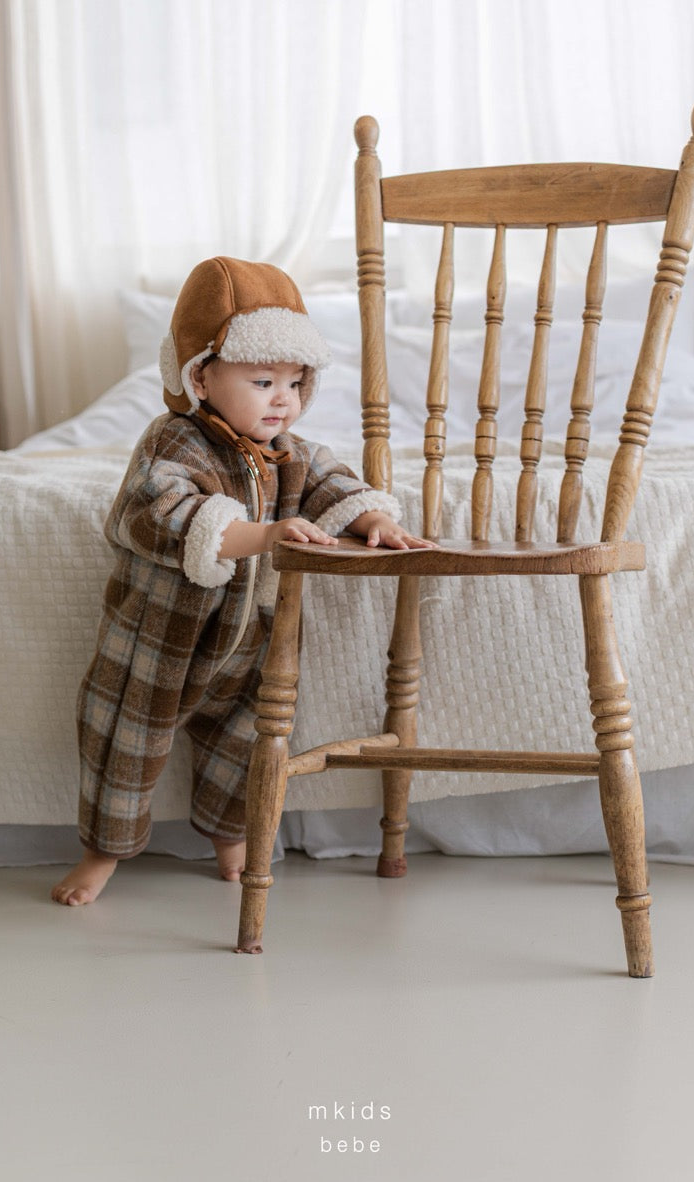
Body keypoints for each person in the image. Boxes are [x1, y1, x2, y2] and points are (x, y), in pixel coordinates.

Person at [51, 256, 431, 905]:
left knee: (247, 741)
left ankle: (230, 837)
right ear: (200, 376)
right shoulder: (174, 442)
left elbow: (329, 481)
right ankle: (101, 853)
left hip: (252, 636)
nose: (284, 399)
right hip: (160, 636)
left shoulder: (291, 453)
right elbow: (153, 513)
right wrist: (263, 535)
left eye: (296, 382)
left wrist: (372, 518)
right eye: (262, 381)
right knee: (124, 739)